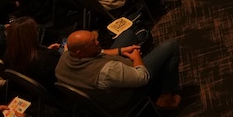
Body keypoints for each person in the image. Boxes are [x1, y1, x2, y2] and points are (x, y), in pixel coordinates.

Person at [55, 29, 183, 111]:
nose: (98, 42)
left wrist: (121, 51)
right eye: (92, 43)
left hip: (105, 82)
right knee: (171, 46)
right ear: (79, 52)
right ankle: (166, 98)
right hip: (123, 98)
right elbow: (141, 77)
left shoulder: (66, 56)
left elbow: (101, 52)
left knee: (128, 34)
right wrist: (136, 57)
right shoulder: (106, 71)